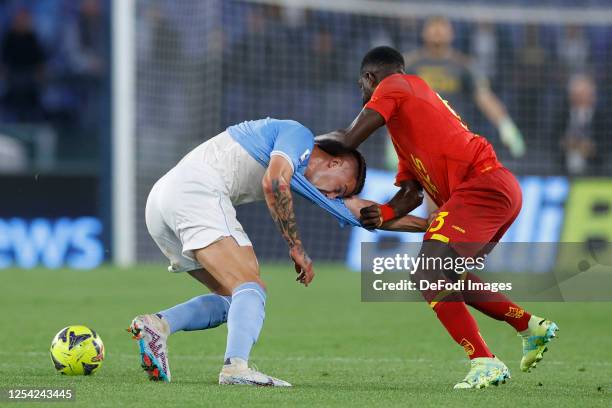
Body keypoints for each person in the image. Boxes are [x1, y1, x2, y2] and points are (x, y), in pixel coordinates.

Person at [320, 46, 558, 389]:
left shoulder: (396, 84)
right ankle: (528, 326)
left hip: (481, 185)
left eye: (362, 87)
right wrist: (384, 213)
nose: (363, 95)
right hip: (495, 189)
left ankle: (484, 361)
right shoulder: (407, 125)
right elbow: (412, 194)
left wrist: (301, 154)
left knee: (428, 272)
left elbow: (348, 139)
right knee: (446, 275)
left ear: (370, 79)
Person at [127, 118, 366, 386]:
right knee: (250, 285)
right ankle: (236, 368)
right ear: (336, 163)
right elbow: (273, 182)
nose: (333, 197)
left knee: (234, 297)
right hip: (196, 191)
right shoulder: (298, 136)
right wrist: (295, 246)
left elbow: (364, 213)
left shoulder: (294, 162)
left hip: (162, 201)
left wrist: (419, 219)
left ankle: (157, 325)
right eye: (341, 189)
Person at [403, 16, 524, 158]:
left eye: (442, 26)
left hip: (453, 139)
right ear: (423, 33)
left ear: (452, 33)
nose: (437, 31)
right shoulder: (410, 65)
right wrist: (392, 137)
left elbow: (484, 97)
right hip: (418, 140)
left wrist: (505, 124)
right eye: (433, 26)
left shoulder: (463, 65)